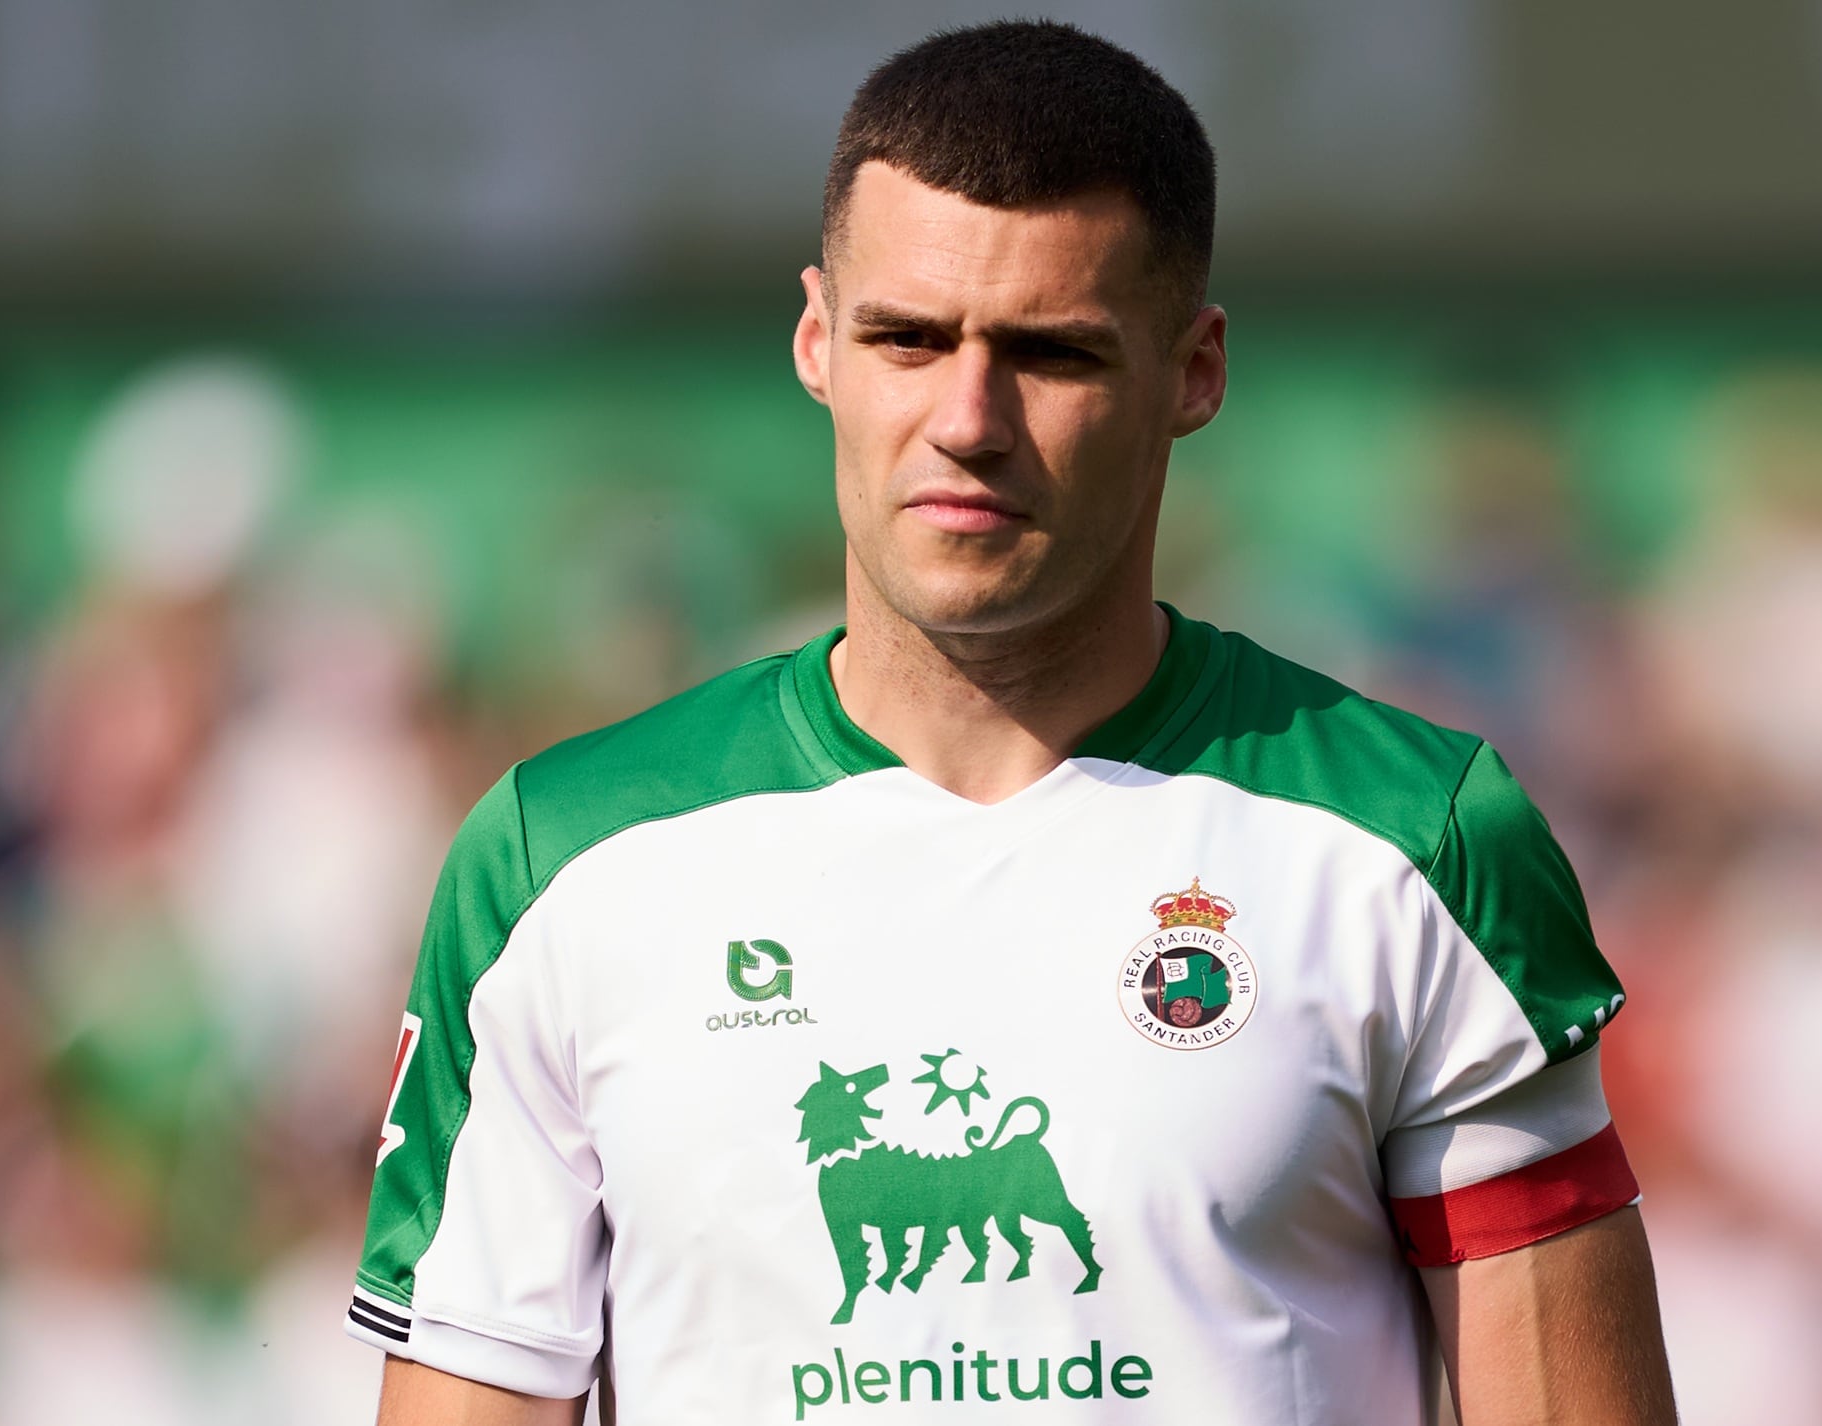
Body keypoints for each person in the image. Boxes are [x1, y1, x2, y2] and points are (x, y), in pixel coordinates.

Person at [347, 20, 1676, 1425]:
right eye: (908, 338)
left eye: (1052, 352)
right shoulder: (561, 858)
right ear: (817, 341)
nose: (968, 417)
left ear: (1196, 373)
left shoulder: (1419, 843)